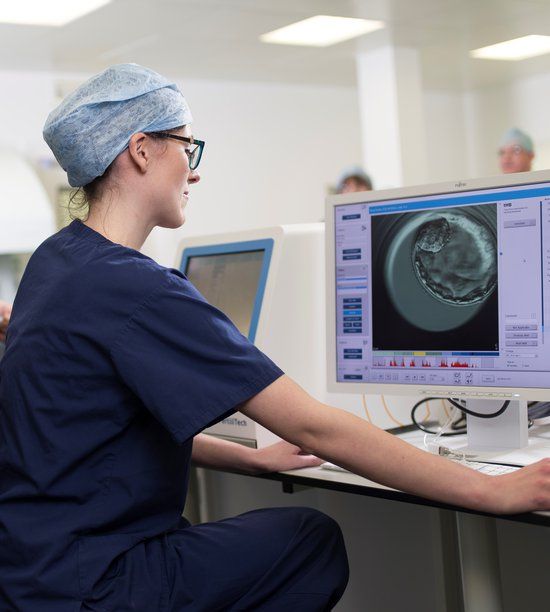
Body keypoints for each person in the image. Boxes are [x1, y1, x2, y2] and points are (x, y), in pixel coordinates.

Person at [1, 64, 550, 612]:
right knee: (309, 542)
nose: (194, 173)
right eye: (187, 149)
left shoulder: (57, 262)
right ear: (141, 150)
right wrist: (490, 490)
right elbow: (312, 424)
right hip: (93, 585)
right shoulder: (134, 287)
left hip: (31, 570)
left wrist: (251, 461)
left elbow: (100, 433)